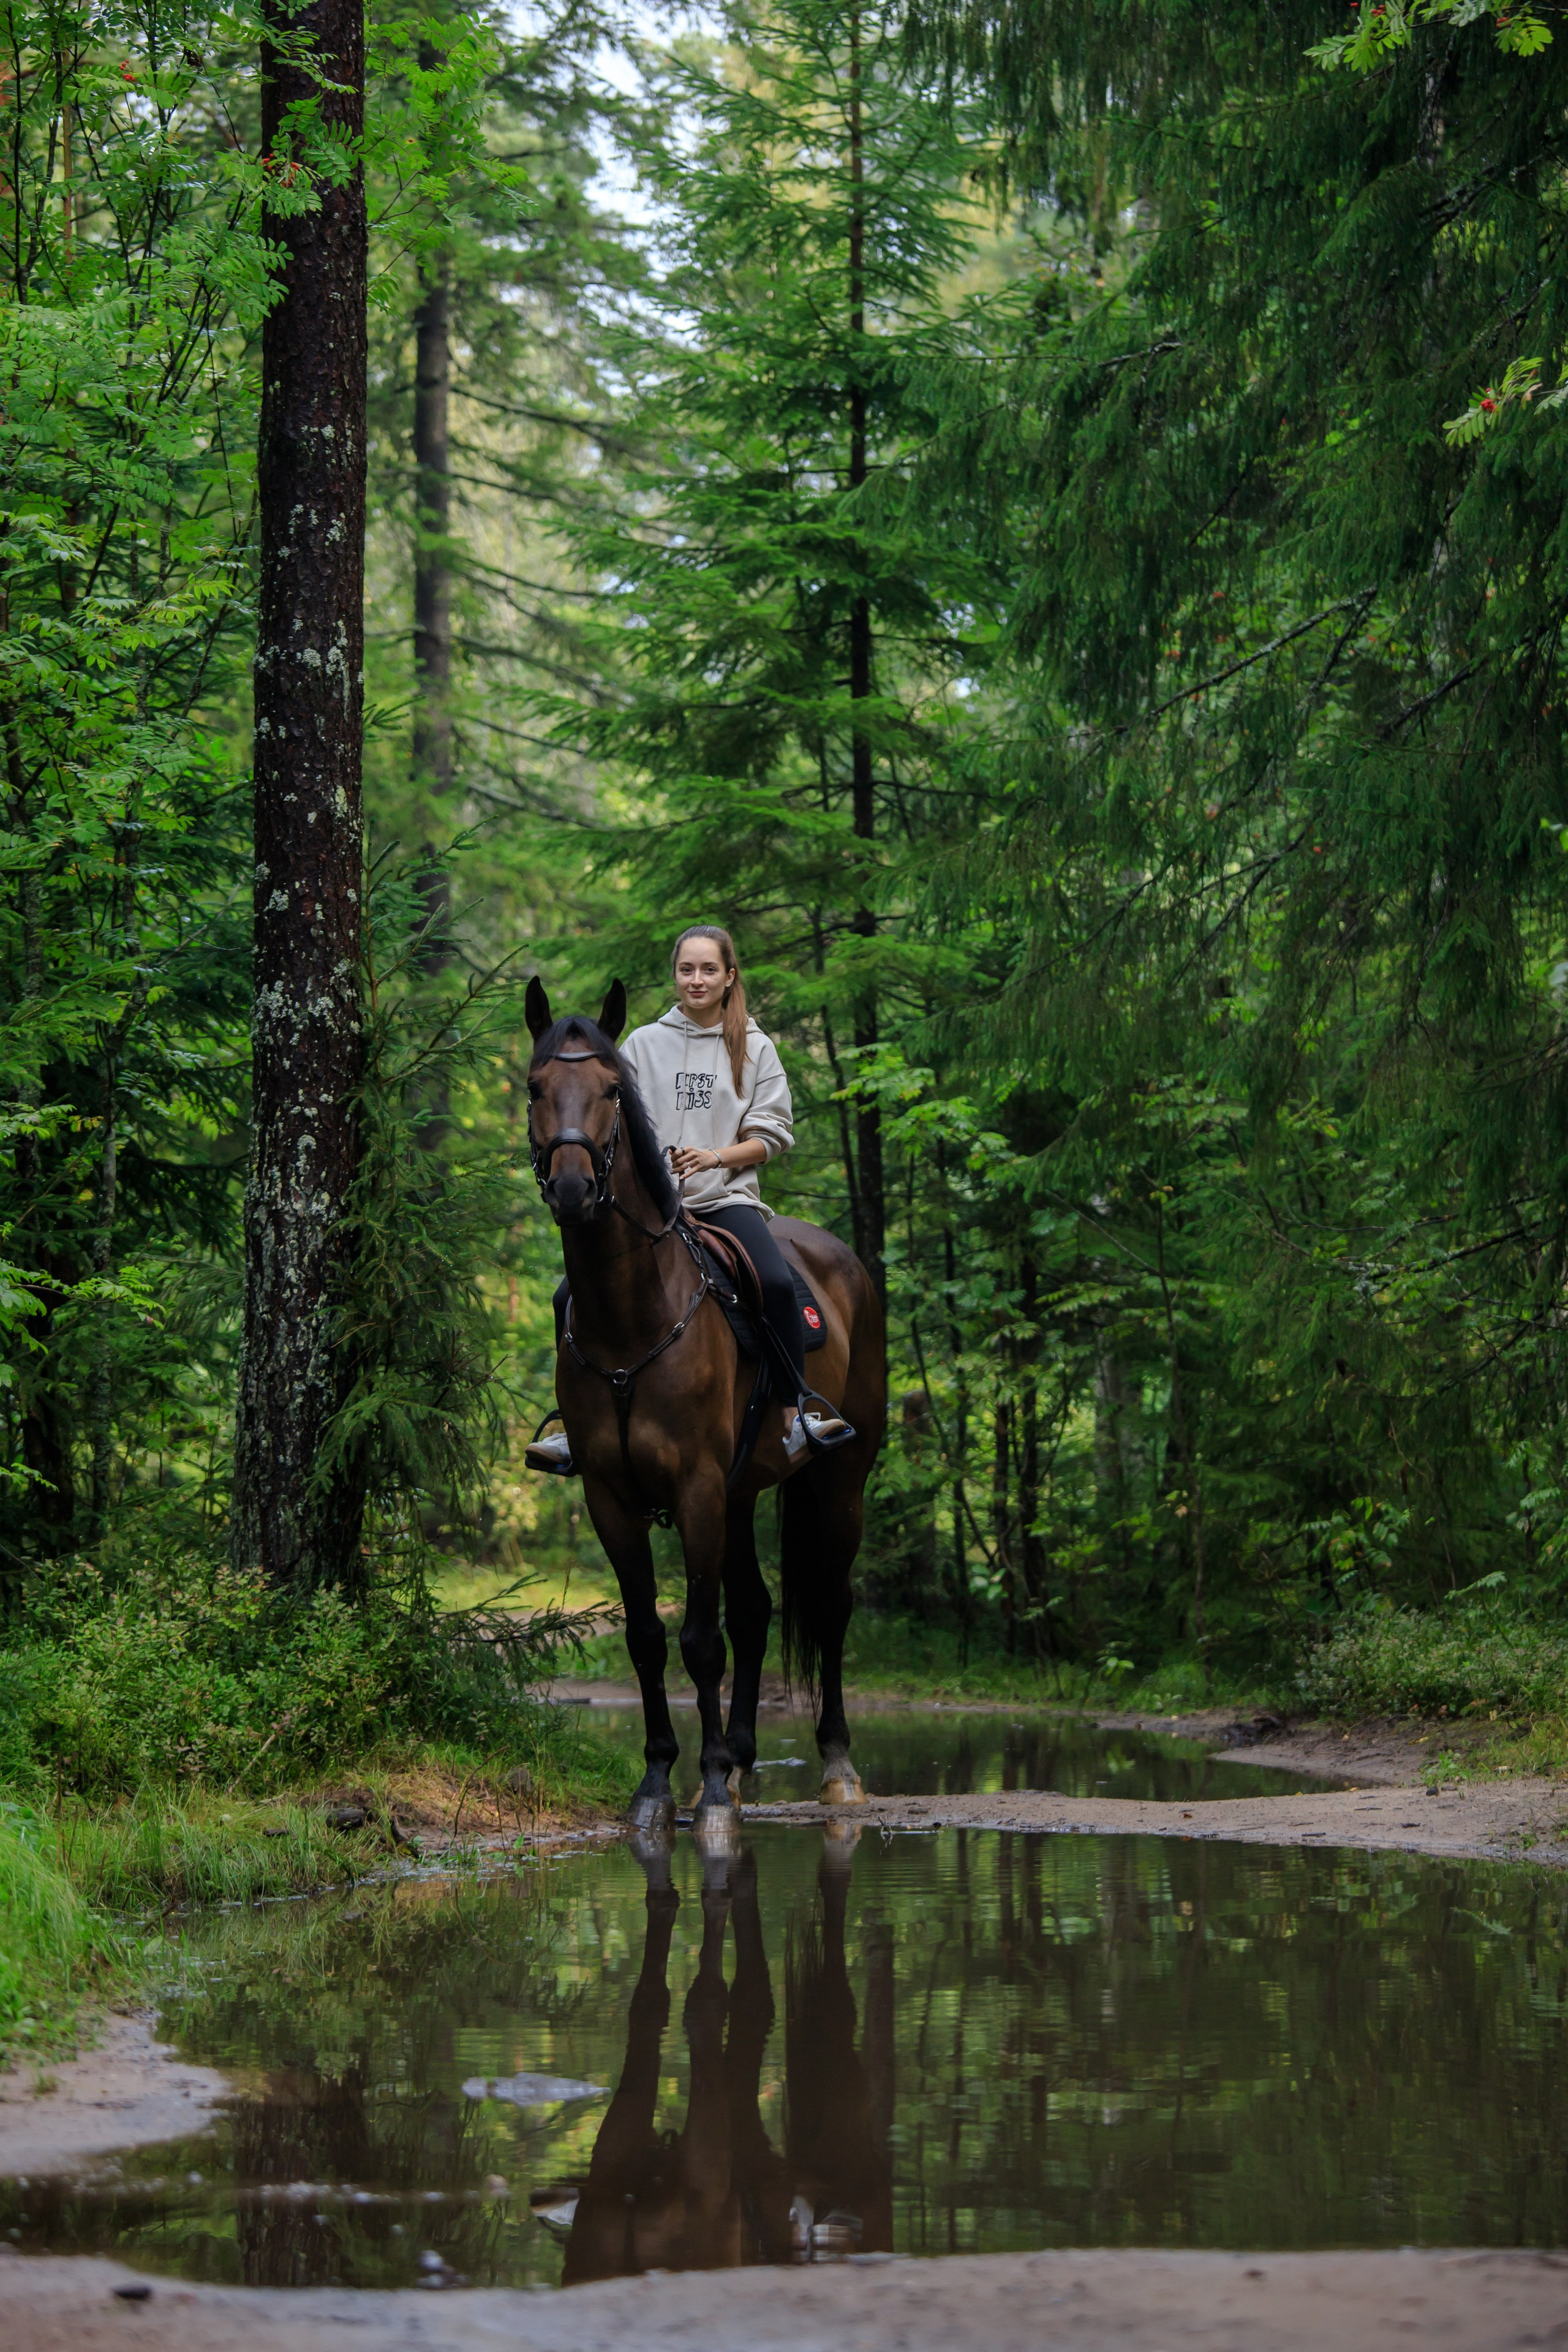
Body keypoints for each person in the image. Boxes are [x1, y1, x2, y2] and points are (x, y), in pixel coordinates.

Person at [526, 925, 851, 1474]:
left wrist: (715, 1157)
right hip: (649, 1212)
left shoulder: (755, 1046)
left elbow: (772, 1135)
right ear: (675, 976)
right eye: (686, 970)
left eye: (707, 970)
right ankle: (570, 1422)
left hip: (725, 1202)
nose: (696, 980)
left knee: (773, 1282)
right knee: (567, 1297)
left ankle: (799, 1412)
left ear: (729, 977)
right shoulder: (640, 1046)